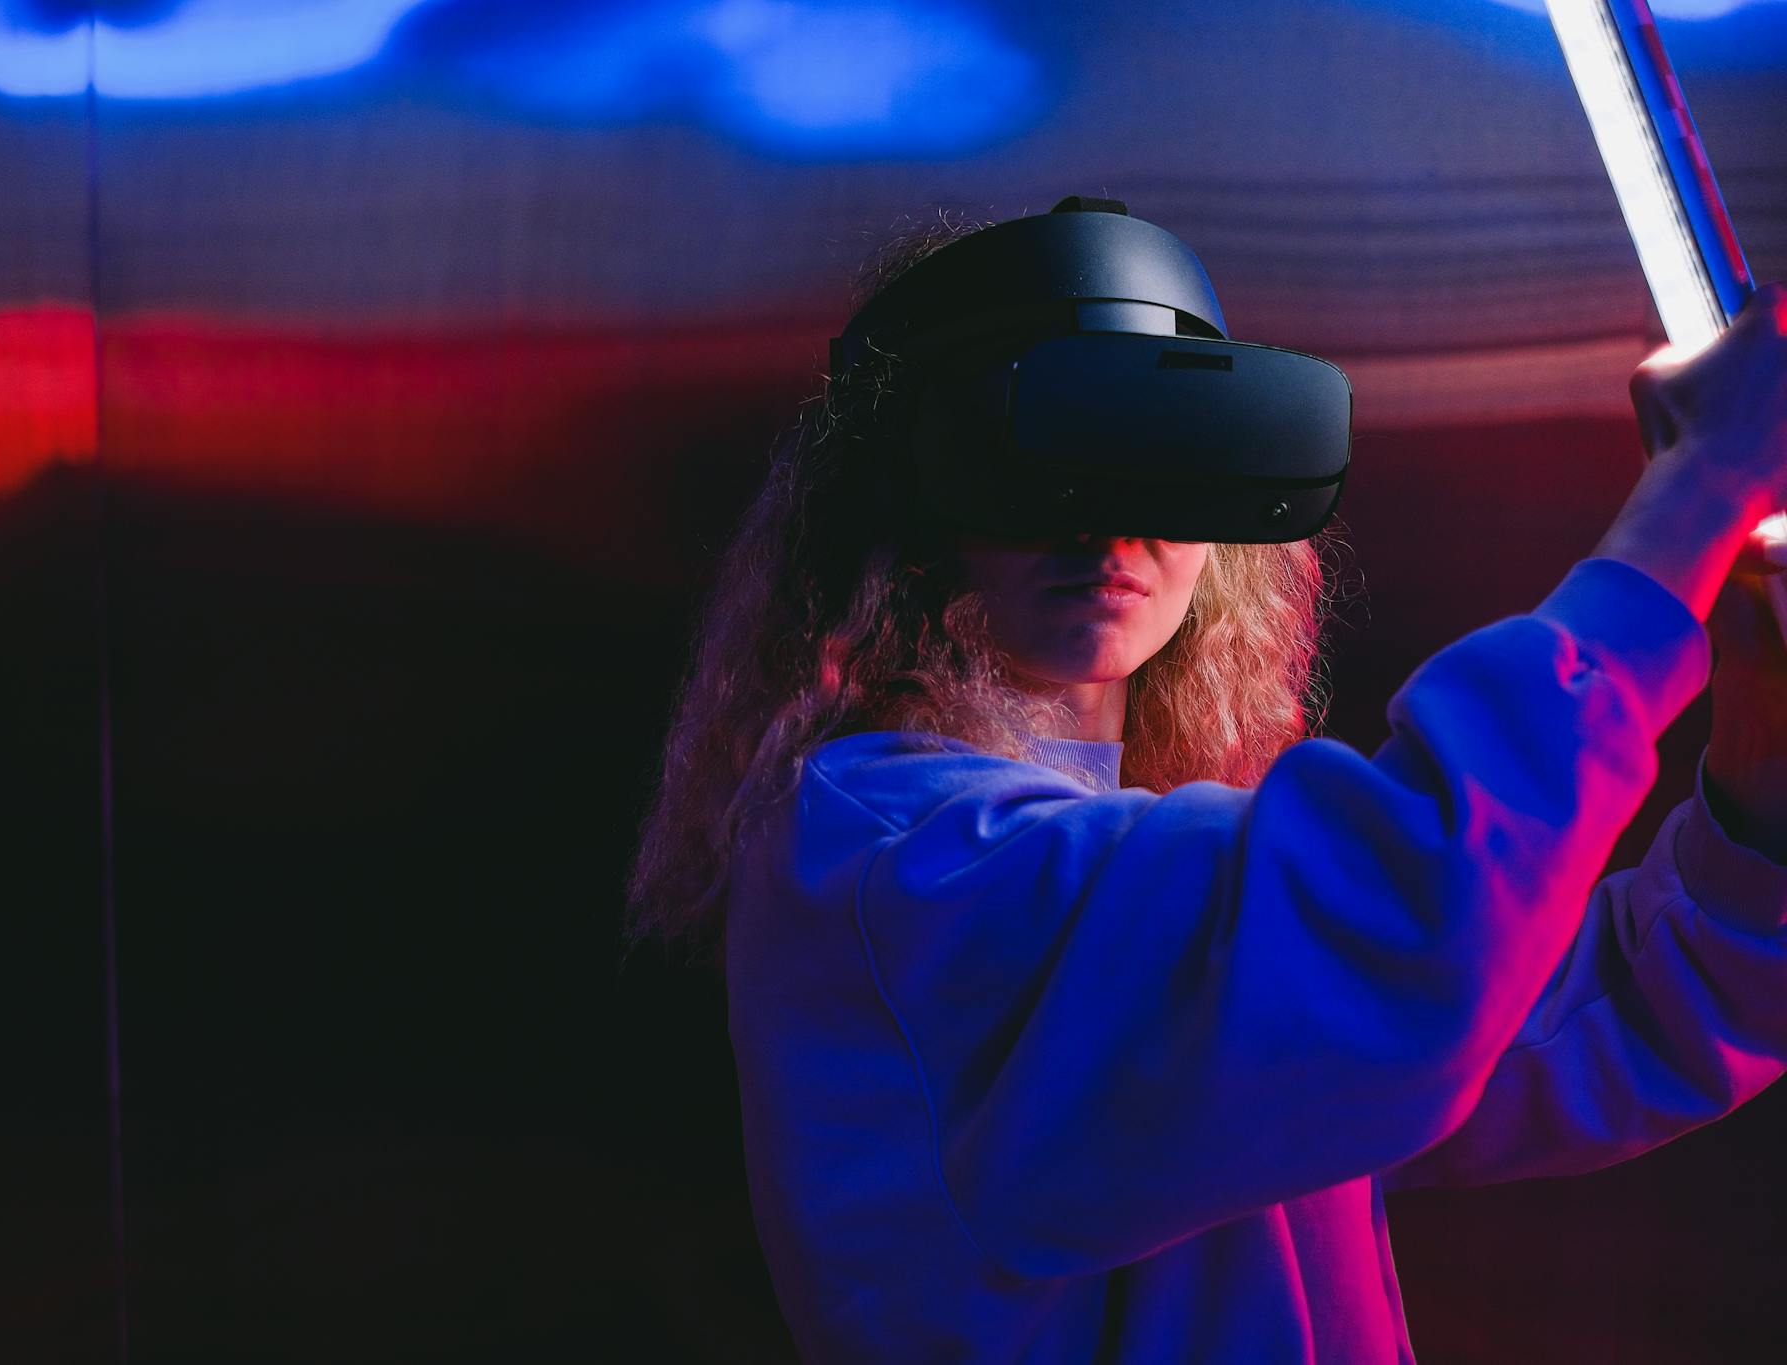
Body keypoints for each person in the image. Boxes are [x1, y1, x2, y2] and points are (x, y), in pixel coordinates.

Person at [624, 208, 1787, 1361]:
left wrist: (1763, 744)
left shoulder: (1176, 923)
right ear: (911, 508)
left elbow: (1592, 1018)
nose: (1111, 520)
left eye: (1162, 446)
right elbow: (1408, 935)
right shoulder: (892, 860)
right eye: (1040, 455)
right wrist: (1686, 504)